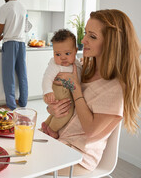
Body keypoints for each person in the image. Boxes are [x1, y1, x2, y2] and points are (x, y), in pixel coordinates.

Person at [45, 9, 141, 176]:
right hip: (56, 142)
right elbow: (60, 99)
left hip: (76, 156)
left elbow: (90, 130)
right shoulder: (85, 69)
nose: (84, 40)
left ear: (111, 43)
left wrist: (75, 88)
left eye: (92, 36)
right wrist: (51, 109)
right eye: (85, 34)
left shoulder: (116, 89)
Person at [0, 0, 28, 110]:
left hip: (10, 45)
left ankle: (11, 105)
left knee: (8, 75)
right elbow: (23, 28)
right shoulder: (23, 7)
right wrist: (2, 36)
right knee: (22, 74)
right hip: (22, 43)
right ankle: (23, 102)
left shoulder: (4, 8)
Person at [41, 29, 82, 139]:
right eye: (57, 54)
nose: (63, 57)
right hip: (60, 90)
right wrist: (48, 91)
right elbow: (47, 78)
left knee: (57, 111)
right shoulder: (55, 65)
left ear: (76, 51)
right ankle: (52, 129)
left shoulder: (77, 63)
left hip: (68, 91)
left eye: (67, 53)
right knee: (66, 111)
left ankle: (47, 124)